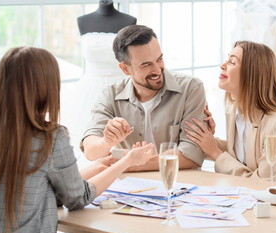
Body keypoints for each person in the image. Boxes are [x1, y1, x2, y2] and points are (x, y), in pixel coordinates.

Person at [0, 46, 153, 233]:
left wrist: (97, 167)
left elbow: (41, 185)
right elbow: (78, 198)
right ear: (45, 88)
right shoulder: (49, 138)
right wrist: (127, 161)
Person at [81, 25, 207, 171]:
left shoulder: (191, 88)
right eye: (146, 65)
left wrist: (129, 164)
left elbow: (192, 155)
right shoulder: (110, 95)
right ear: (125, 69)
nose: (157, 70)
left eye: (159, 59)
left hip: (179, 183)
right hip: (131, 187)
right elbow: (90, 150)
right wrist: (105, 142)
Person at [185, 41, 276, 183]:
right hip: (243, 196)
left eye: (232, 62)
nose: (223, 65)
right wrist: (206, 139)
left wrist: (215, 153)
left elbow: (265, 183)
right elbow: (242, 157)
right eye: (227, 60)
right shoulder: (234, 111)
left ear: (252, 73)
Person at [60, 0, 137, 151]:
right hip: (89, 88)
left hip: (121, 86)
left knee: (123, 138)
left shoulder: (129, 21)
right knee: (88, 136)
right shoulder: (82, 21)